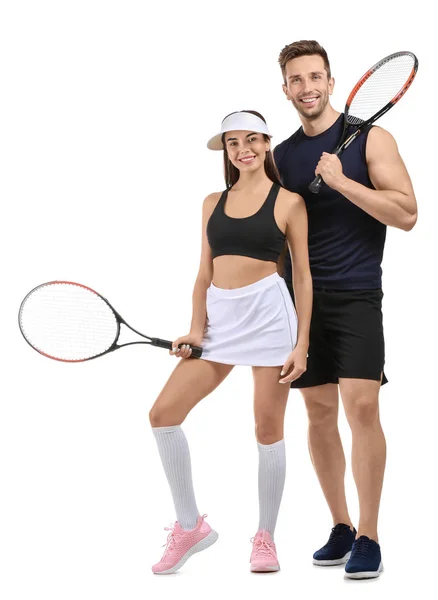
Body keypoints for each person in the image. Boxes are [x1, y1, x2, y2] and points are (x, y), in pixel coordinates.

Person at [274, 40, 418, 579]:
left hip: (357, 294)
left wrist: (341, 181)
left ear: (331, 82)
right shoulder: (282, 156)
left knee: (362, 409)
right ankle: (339, 525)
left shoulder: (371, 138)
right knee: (317, 413)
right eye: (296, 79)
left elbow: (406, 214)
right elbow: (277, 235)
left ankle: (369, 534)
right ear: (285, 89)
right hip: (300, 302)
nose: (307, 87)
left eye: (315, 76)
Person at [148, 110, 312, 574]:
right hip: (221, 321)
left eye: (252, 139)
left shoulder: (289, 202)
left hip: (269, 318)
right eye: (234, 141)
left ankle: (266, 537)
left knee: (266, 427)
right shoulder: (211, 202)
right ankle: (190, 527)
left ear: (266, 143)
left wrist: (301, 343)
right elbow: (203, 273)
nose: (244, 148)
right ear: (226, 150)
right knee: (163, 415)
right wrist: (196, 329)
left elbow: (303, 277)